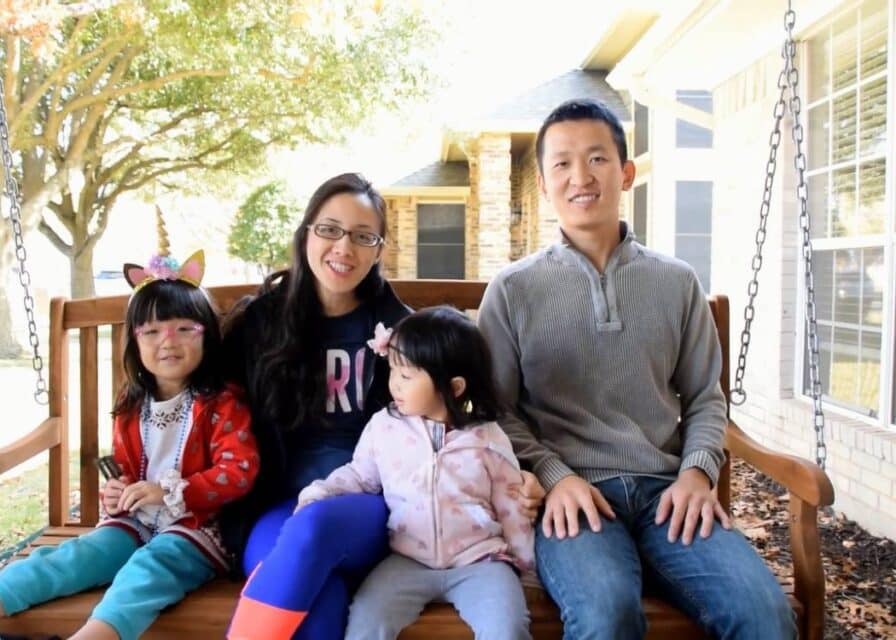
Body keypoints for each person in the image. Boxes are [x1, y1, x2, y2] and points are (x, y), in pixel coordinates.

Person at [477, 99, 796, 639]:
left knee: (765, 615)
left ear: (625, 173)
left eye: (598, 158)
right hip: (573, 500)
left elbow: (704, 396)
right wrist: (555, 477)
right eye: (562, 163)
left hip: (666, 494)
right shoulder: (512, 290)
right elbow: (496, 412)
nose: (581, 176)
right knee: (606, 616)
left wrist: (698, 470)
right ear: (543, 180)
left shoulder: (676, 282)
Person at [221, 173, 544, 640]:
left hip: (372, 506)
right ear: (306, 233)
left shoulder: (401, 334)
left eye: (362, 236)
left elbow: (459, 417)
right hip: (279, 506)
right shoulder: (261, 323)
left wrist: (522, 471)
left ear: (379, 250)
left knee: (315, 528)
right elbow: (209, 403)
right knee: (321, 596)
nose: (343, 248)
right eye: (329, 229)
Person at [0, 250, 258, 640]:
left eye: (185, 329)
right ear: (135, 341)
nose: (169, 342)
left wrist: (166, 493)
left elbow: (239, 472)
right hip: (136, 522)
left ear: (207, 336)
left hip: (197, 530)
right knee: (71, 558)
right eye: (151, 331)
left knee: (146, 574)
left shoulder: (222, 403)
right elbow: (127, 469)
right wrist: (118, 491)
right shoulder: (132, 406)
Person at [296, 306, 533, 640]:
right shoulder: (384, 427)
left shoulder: (488, 437)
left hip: (481, 561)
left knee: (507, 629)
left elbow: (511, 506)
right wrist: (320, 493)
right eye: (393, 370)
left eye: (406, 376)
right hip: (407, 559)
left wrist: (527, 568)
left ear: (454, 387)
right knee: (365, 621)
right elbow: (360, 476)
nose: (395, 384)